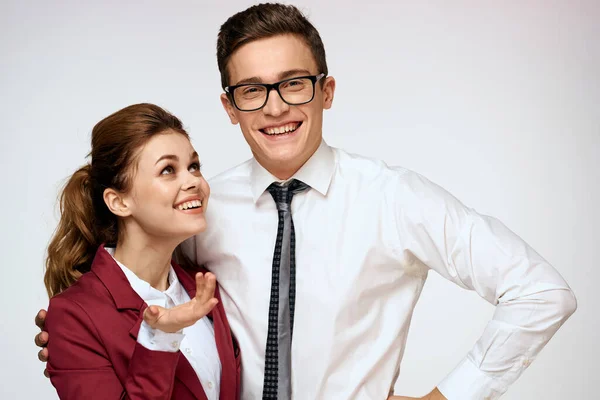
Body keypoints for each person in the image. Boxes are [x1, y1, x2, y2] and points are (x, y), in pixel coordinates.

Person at [35, 4, 577, 400]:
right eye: (252, 90)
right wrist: (71, 335)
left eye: (294, 83)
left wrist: (449, 398)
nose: (275, 108)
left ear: (327, 91)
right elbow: (143, 278)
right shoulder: (202, 207)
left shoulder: (393, 198)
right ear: (230, 107)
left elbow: (540, 292)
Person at [41, 103, 240, 399]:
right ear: (119, 202)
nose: (193, 181)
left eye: (194, 166)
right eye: (168, 170)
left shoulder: (205, 286)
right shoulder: (73, 316)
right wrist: (161, 338)